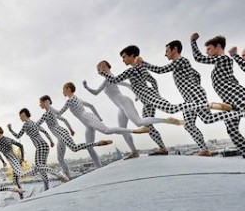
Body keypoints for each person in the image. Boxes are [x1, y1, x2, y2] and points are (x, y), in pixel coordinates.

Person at [100, 45, 235, 155]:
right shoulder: (139, 68)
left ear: (131, 55)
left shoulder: (133, 70)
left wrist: (104, 71)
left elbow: (114, 80)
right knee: (148, 126)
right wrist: (146, 93)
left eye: (124, 57)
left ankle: (207, 105)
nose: (123, 60)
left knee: (170, 109)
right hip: (147, 98)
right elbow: (152, 80)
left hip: (149, 97)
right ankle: (163, 148)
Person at [140, 40, 245, 156]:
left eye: (167, 51)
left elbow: (161, 70)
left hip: (194, 95)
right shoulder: (184, 65)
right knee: (189, 125)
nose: (165, 54)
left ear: (175, 49)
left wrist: (144, 63)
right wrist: (194, 86)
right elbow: (197, 75)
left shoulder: (181, 61)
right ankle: (204, 150)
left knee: (207, 118)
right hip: (190, 98)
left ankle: (241, 113)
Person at [83, 60, 185, 159]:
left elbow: (96, 92)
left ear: (104, 67)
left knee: (139, 122)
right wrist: (136, 94)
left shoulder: (108, 79)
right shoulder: (109, 78)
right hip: (120, 107)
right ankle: (134, 152)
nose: (98, 72)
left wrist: (87, 87)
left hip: (124, 102)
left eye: (98, 69)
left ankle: (166, 120)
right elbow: (127, 85)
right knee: (123, 130)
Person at [58, 82, 142, 167]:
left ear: (68, 88)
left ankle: (135, 130)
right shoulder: (76, 98)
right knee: (89, 147)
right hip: (88, 123)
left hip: (89, 118)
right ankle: (99, 167)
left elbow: (60, 113)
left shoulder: (70, 101)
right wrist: (99, 117)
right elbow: (91, 106)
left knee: (107, 130)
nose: (63, 92)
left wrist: (50, 110)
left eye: (63, 89)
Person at [37, 95, 112, 178]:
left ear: (45, 102)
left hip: (61, 134)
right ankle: (68, 177)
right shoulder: (52, 113)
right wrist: (70, 130)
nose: (40, 104)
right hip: (60, 136)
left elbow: (37, 125)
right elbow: (64, 120)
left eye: (40, 102)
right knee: (60, 159)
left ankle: (97, 143)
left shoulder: (46, 114)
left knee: (74, 148)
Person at [8, 108, 68, 189]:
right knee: (42, 168)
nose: (20, 118)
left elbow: (18, 136)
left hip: (40, 146)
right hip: (45, 146)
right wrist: (51, 141)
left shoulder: (25, 125)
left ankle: (58, 174)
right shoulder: (35, 123)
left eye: (20, 116)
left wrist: (10, 130)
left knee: (39, 167)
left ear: (24, 115)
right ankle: (47, 188)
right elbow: (45, 132)